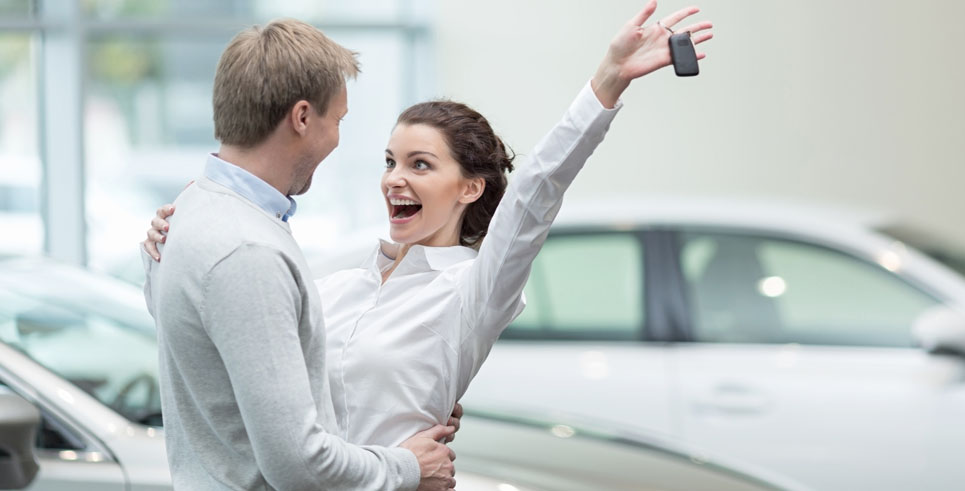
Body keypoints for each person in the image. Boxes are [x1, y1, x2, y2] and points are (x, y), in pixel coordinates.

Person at [144, 0, 712, 463]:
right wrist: (166, 256)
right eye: (390, 161)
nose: (395, 179)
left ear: (470, 188)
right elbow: (240, 351)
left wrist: (607, 82)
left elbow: (538, 189)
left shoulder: (470, 291)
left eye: (420, 165)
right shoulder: (337, 283)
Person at [141, 19, 456, 491]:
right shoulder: (246, 250)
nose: (337, 138)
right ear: (303, 117)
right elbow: (299, 464)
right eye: (338, 121)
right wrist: (408, 466)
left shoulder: (188, 211)